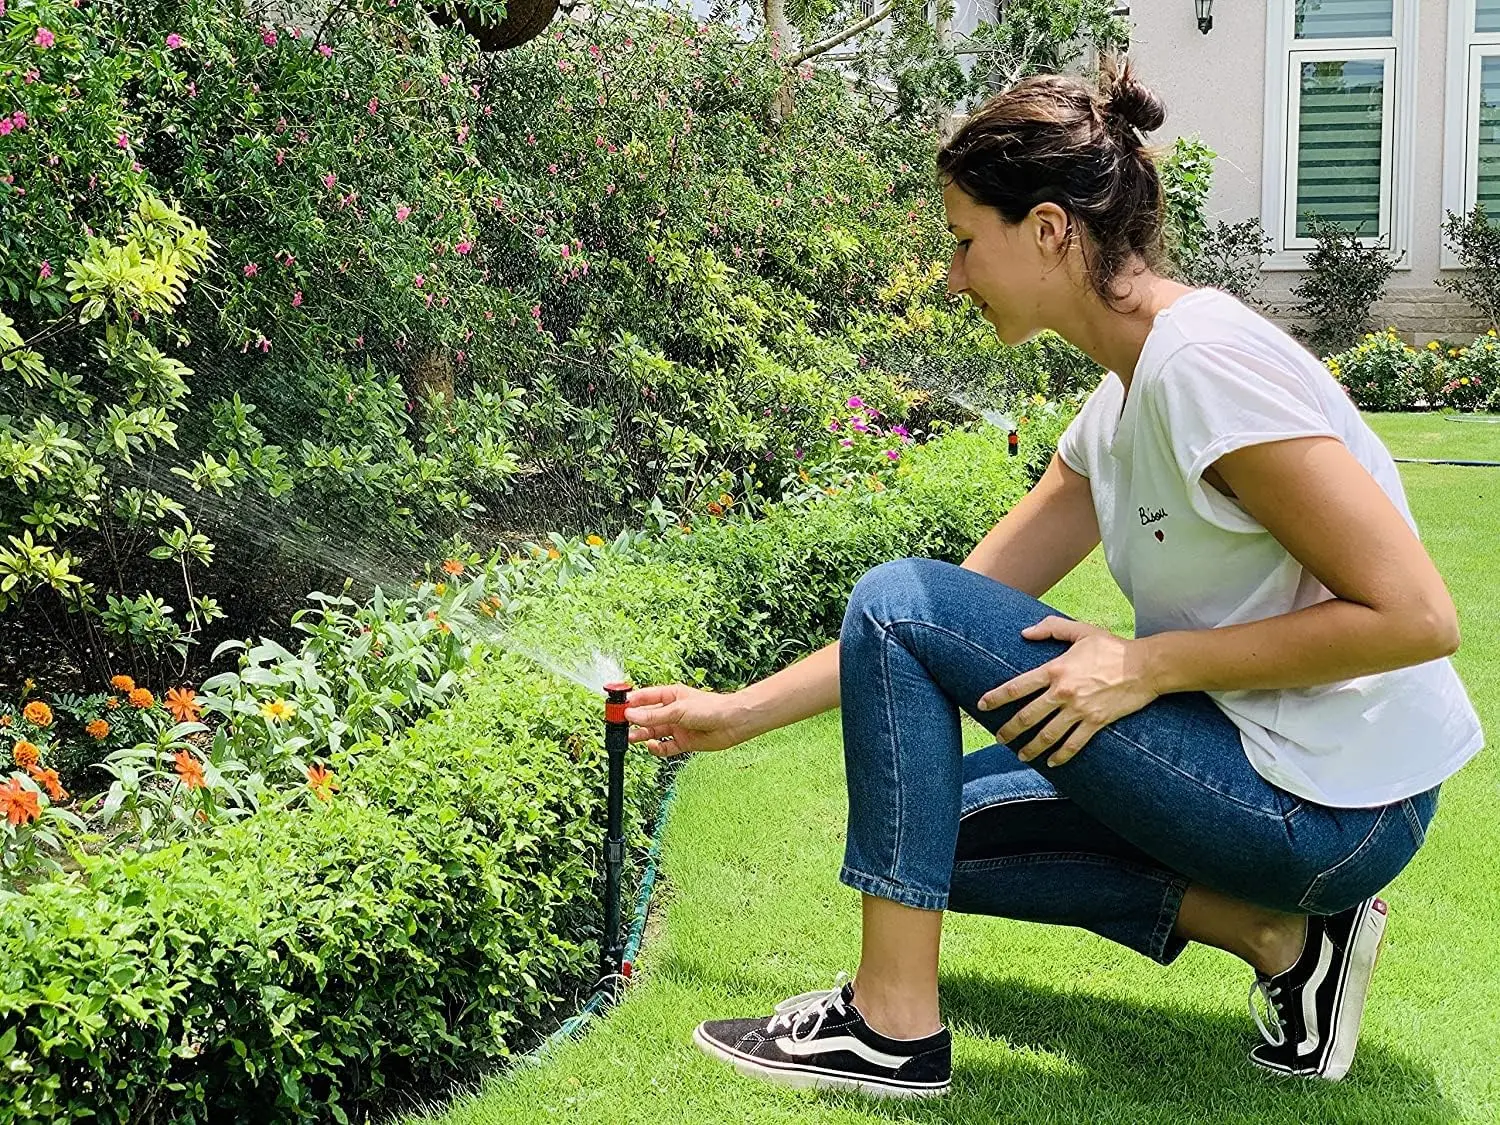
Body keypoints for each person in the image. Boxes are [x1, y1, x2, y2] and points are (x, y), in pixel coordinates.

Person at [620, 56, 1484, 1100]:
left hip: (1337, 805)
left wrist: (1153, 663)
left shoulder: (1200, 364)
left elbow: (1417, 617)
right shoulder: (1118, 409)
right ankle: (1290, 942)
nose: (953, 278)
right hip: (1274, 775)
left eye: (963, 241)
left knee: (896, 601)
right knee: (932, 829)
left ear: (1047, 229)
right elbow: (951, 606)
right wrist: (737, 715)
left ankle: (889, 1030)